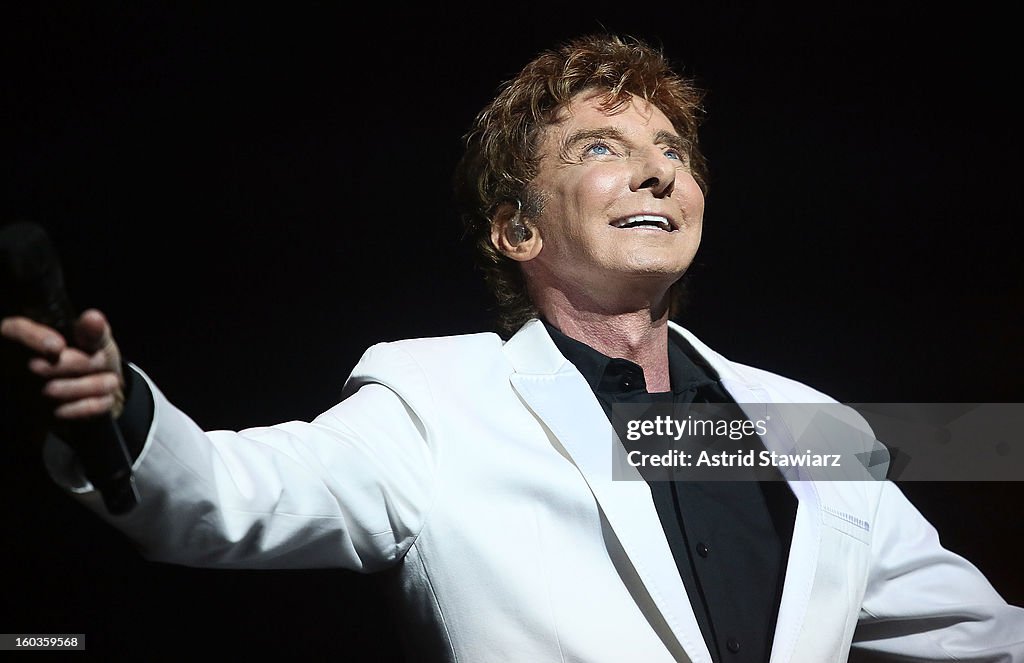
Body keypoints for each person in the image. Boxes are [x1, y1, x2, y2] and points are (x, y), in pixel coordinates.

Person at [2, 33, 1022, 662]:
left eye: (672, 152)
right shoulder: (437, 401)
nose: (656, 174)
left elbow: (982, 635)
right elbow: (224, 495)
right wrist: (121, 417)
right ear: (516, 229)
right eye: (601, 151)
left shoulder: (808, 427)